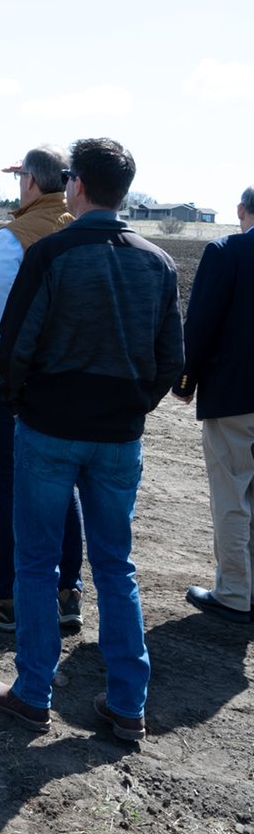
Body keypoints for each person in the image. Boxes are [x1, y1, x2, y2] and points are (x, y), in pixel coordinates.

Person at [0, 137, 183, 742]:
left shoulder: (54, 254)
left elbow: (16, 344)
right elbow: (170, 361)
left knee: (38, 564)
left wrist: (24, 404)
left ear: (77, 187)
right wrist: (129, 406)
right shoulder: (157, 262)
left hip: (50, 429)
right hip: (118, 436)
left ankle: (32, 692)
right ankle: (128, 703)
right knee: (116, 566)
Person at [0, 147, 85, 634]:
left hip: (2, 379)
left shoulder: (12, 239)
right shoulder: (78, 229)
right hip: (60, 379)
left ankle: (3, 596)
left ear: (31, 182)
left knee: (3, 486)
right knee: (62, 483)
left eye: (20, 177)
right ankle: (67, 590)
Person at [172, 186, 254, 624]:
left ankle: (235, 593)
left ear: (241, 210)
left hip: (236, 396)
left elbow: (200, 323)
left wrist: (185, 381)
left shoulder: (226, 252)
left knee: (233, 495)